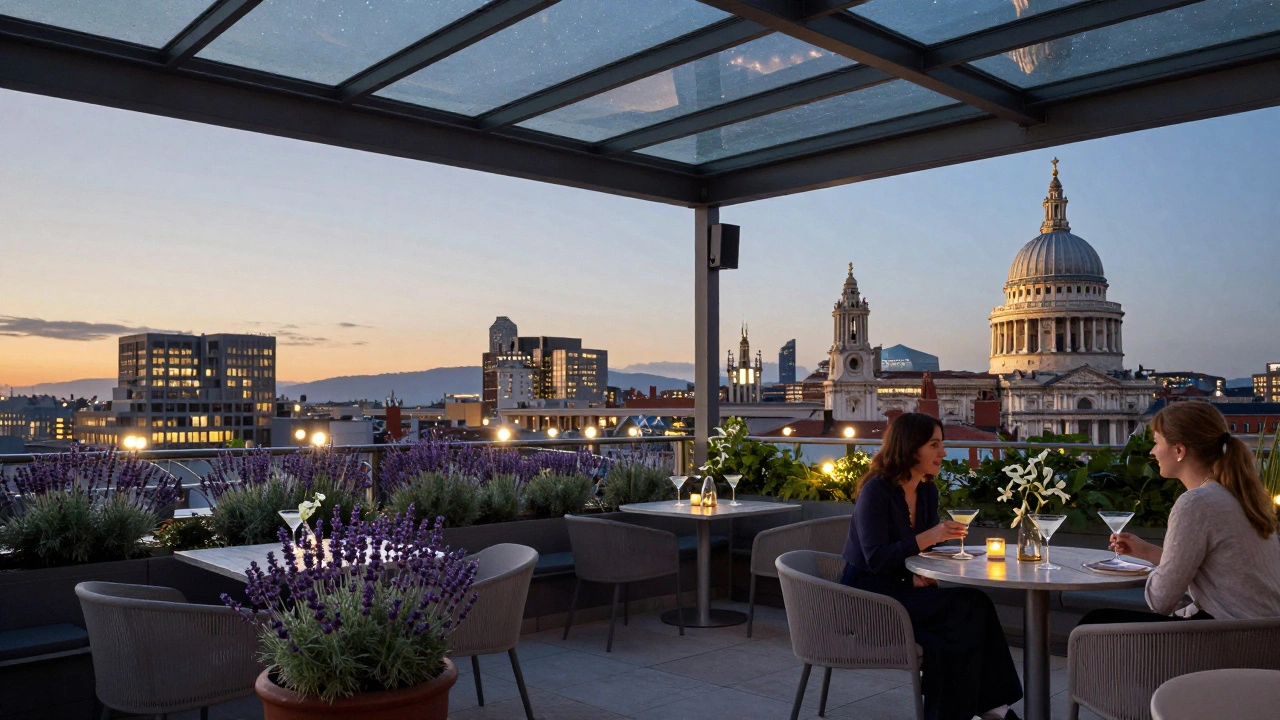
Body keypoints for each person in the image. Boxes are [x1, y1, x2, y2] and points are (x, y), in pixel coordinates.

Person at [841, 412, 1023, 720]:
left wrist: (936, 563)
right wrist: (930, 537)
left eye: (942, 444)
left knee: (947, 640)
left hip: (902, 586)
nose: (943, 452)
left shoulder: (926, 490)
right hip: (867, 593)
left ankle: (977, 709)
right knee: (971, 605)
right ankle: (994, 706)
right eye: (935, 444)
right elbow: (876, 558)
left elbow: (924, 552)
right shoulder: (877, 491)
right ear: (911, 448)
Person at [1083, 402, 1280, 624]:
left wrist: (1151, 572)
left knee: (1094, 623)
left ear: (1179, 450)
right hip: (1266, 637)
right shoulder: (1239, 496)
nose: (1152, 451)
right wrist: (1148, 552)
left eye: (1157, 443)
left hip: (1229, 638)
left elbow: (1160, 600)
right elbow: (1219, 568)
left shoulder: (1196, 504)